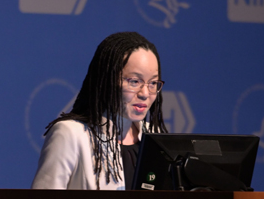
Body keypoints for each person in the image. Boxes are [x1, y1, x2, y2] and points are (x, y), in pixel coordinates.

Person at [31, 32, 168, 190]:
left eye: (152, 83)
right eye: (135, 81)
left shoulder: (154, 137)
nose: (145, 93)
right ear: (107, 80)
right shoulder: (71, 134)